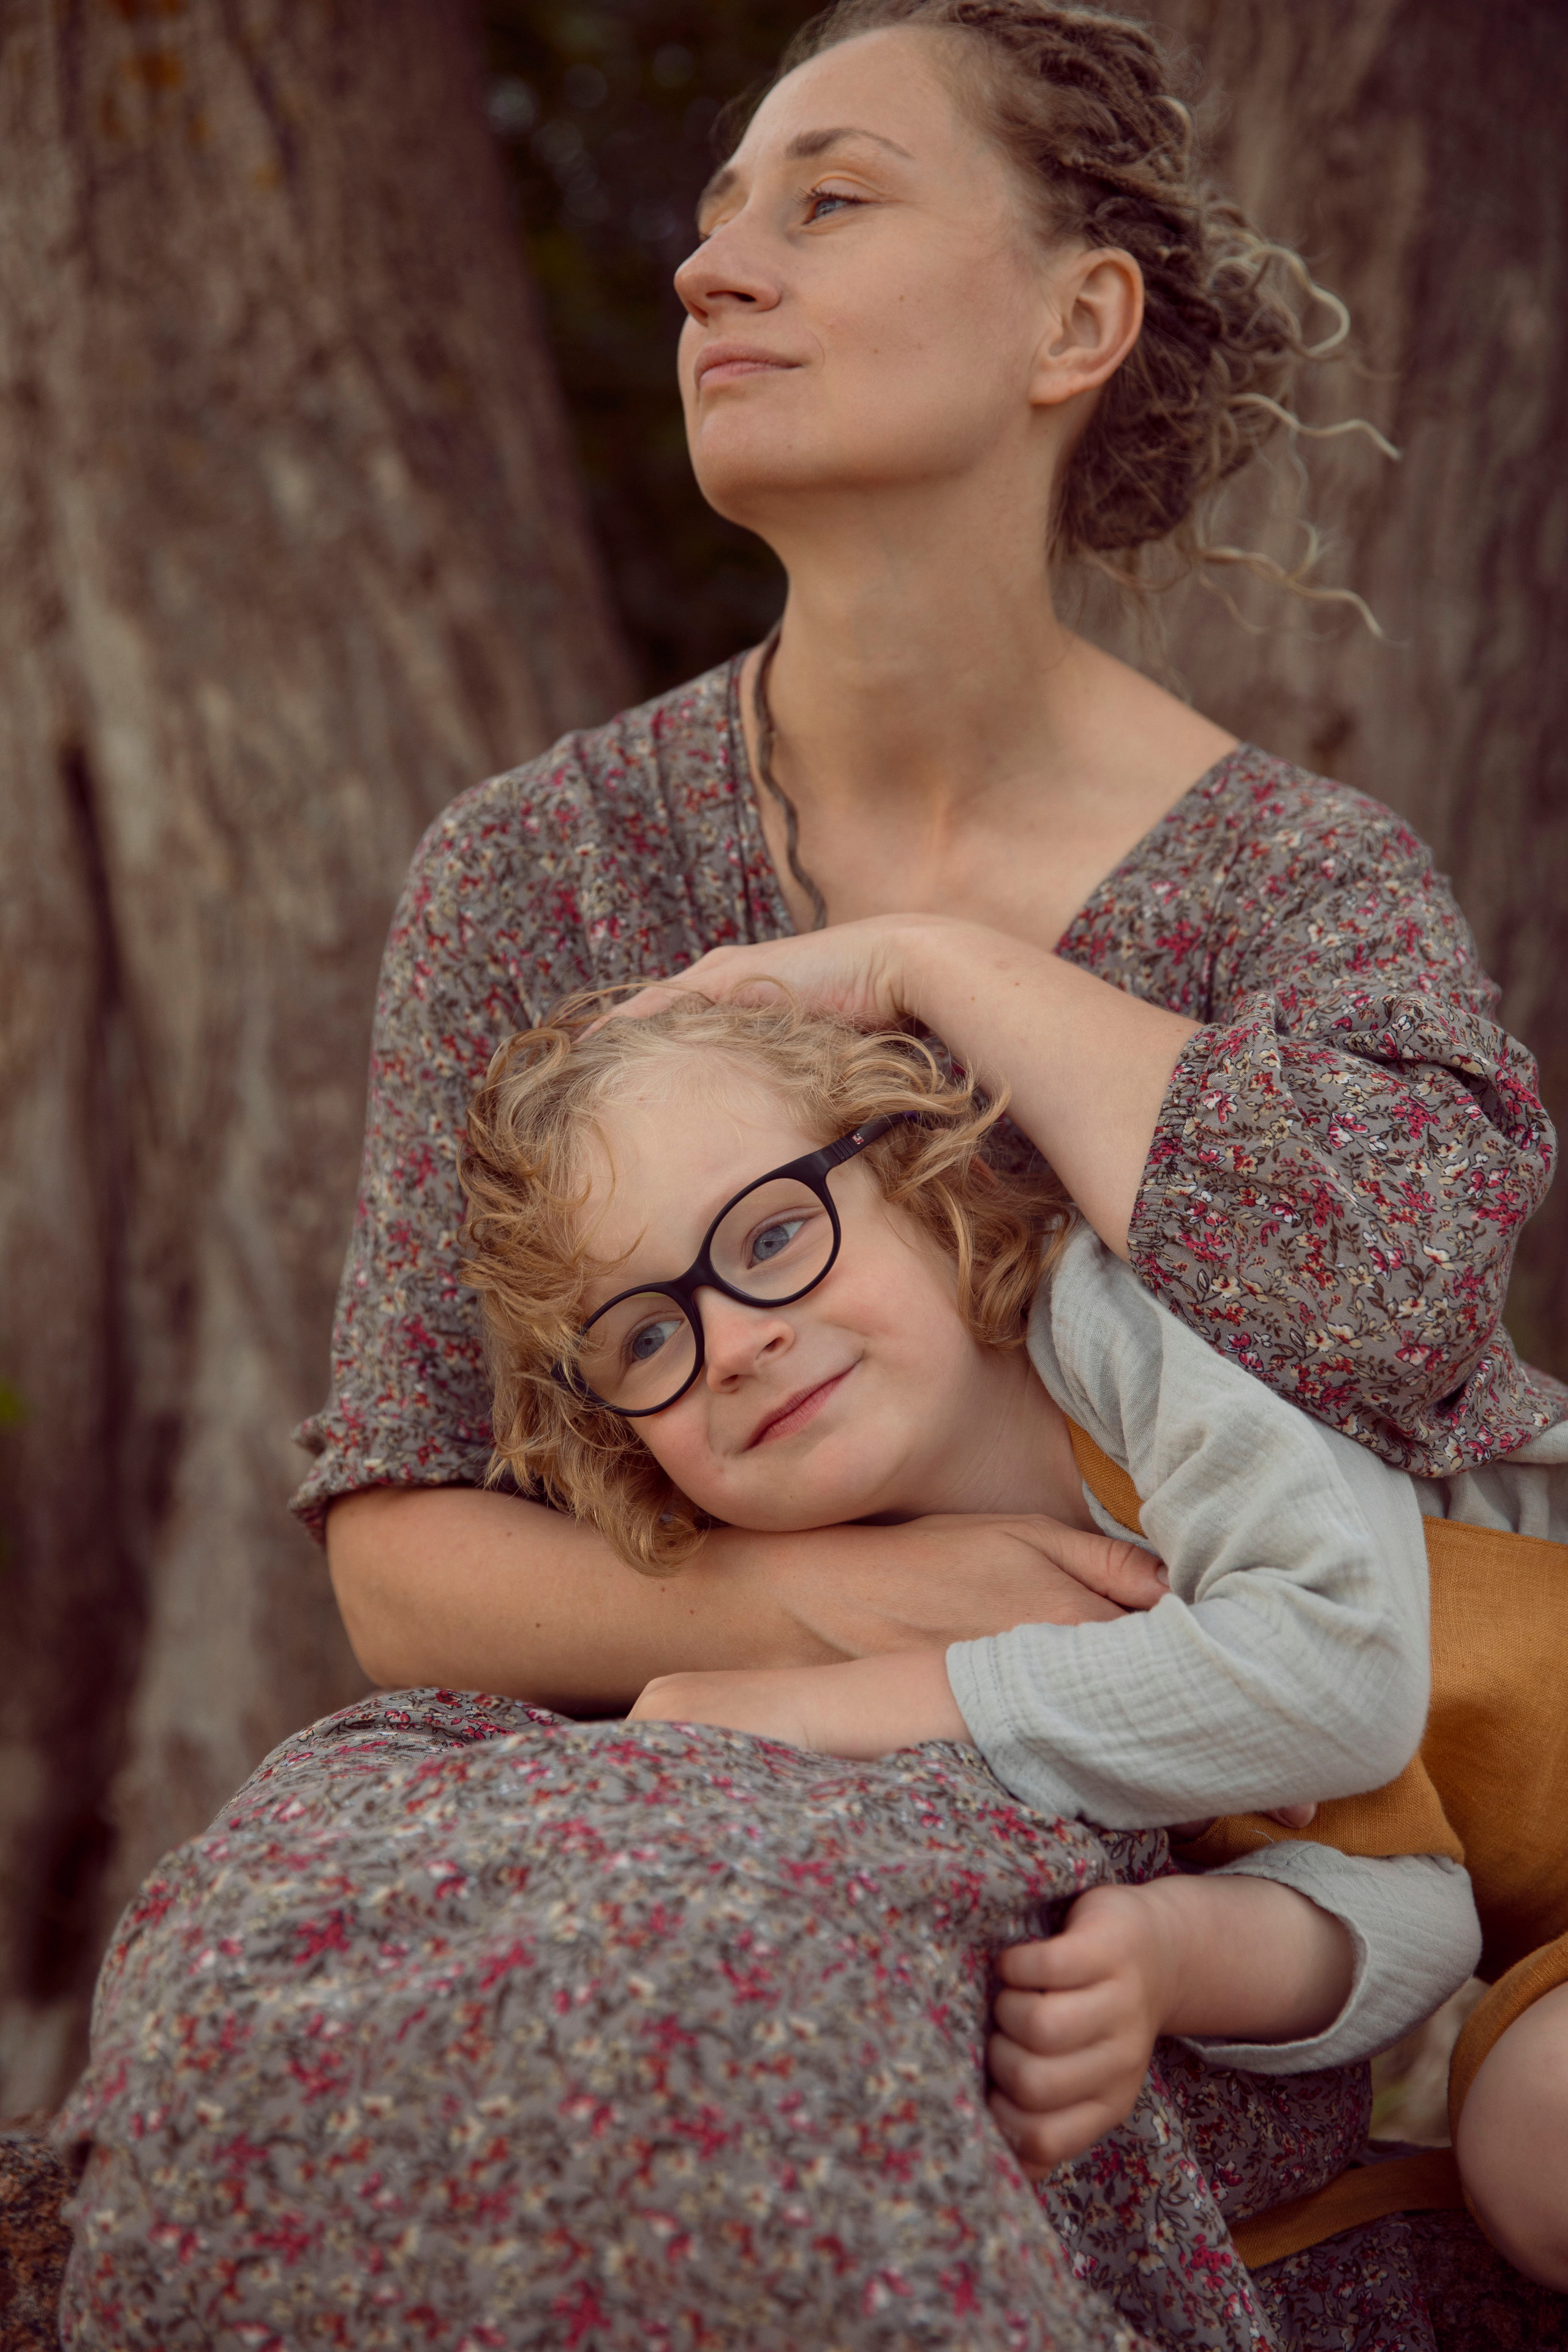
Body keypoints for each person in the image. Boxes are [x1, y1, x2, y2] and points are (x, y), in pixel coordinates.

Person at [54, 4, 1567, 2346]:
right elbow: (415, 1554)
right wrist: (843, 1622)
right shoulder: (536, 870)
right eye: (716, 210)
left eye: (827, 199)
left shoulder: (1303, 888)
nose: (709, 269)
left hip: (1388, 1826)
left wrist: (943, 968)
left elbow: (1381, 1304)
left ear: (1078, 319)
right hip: (799, 1772)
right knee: (283, 1972)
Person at [461, 987, 1486, 2168]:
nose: (734, 1344)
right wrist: (1172, 1952)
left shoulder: (1134, 1321)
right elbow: (1431, 1899)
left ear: (913, 1174)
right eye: (645, 1337)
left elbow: (1341, 1686)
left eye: (774, 1234)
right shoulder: (864, 1614)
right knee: (1529, 2150)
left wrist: (851, 1703)